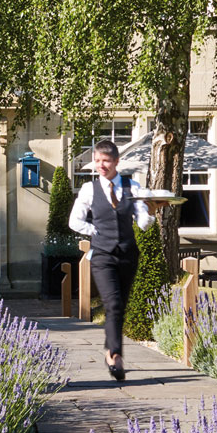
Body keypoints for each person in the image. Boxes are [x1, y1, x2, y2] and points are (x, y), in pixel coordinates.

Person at [67, 139, 153, 381]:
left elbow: (143, 223)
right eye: (97, 161)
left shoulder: (132, 187)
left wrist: (151, 213)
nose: (101, 165)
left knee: (120, 305)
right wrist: (94, 231)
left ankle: (110, 347)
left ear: (116, 162)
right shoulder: (88, 190)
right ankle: (115, 355)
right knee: (113, 304)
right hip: (102, 255)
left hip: (128, 254)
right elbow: (75, 221)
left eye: (105, 161)